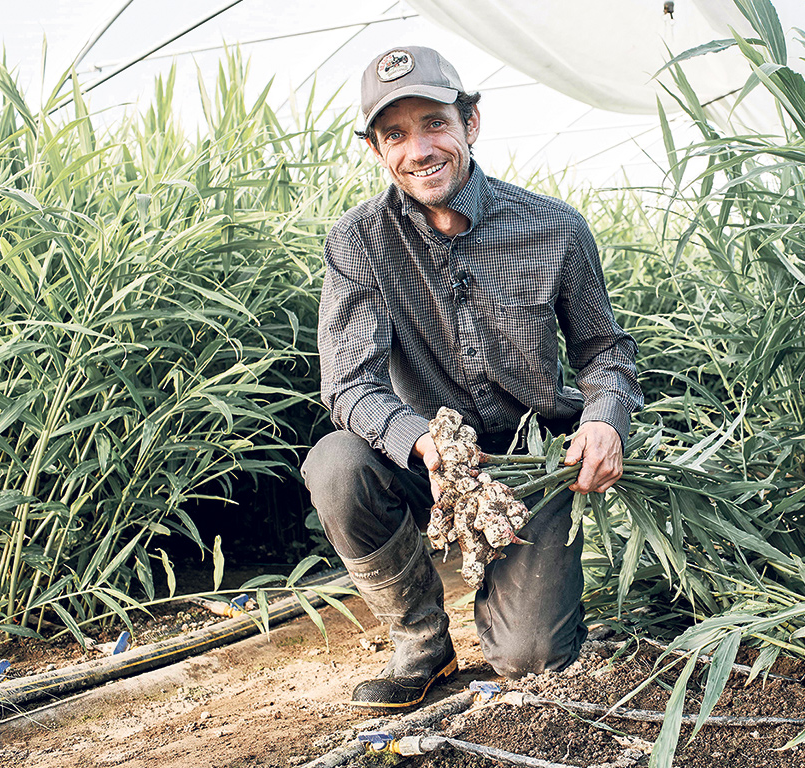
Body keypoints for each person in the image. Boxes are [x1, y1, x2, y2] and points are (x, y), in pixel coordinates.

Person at [300, 45, 643, 712]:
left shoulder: (555, 230)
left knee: (529, 658)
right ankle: (421, 641)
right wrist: (422, 441)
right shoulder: (358, 242)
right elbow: (348, 384)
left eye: (433, 123)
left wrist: (604, 420)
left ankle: (521, 594)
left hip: (530, 464)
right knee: (336, 466)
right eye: (394, 134)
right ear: (376, 150)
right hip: (428, 463)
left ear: (470, 124)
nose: (418, 149)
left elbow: (605, 351)